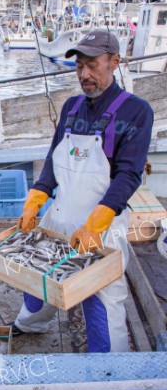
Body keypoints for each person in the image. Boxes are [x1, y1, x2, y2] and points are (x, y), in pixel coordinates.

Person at [11, 30, 153, 353]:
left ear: (115, 62)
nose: (84, 75)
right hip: (58, 222)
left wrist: (95, 225)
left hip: (101, 231)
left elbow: (128, 176)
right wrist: (36, 200)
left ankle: (111, 375)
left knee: (100, 305)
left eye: (92, 66)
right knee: (38, 285)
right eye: (79, 67)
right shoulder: (71, 108)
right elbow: (52, 161)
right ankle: (28, 325)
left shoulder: (136, 112)